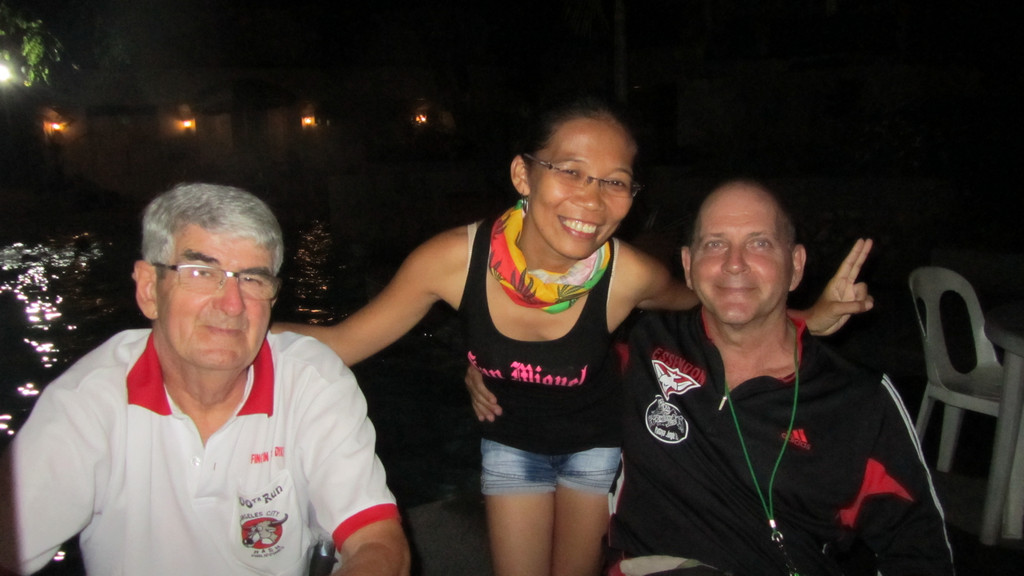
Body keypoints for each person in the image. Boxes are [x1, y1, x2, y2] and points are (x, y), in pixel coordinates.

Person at [277, 96, 873, 576]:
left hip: (595, 445)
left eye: (615, 181)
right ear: (523, 174)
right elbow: (342, 343)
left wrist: (805, 315)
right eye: (571, 172)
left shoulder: (629, 276)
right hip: (511, 442)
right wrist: (238, 325)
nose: (591, 198)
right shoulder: (452, 262)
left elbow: (712, 302)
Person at [0, 183, 410, 576]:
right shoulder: (87, 402)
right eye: (200, 272)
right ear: (149, 289)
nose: (232, 304)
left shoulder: (311, 381)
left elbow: (377, 542)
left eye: (252, 279)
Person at [605, 180, 953, 576]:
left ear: (796, 266)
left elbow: (920, 549)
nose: (734, 263)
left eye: (759, 243)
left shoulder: (855, 400)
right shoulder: (645, 345)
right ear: (688, 265)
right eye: (715, 244)